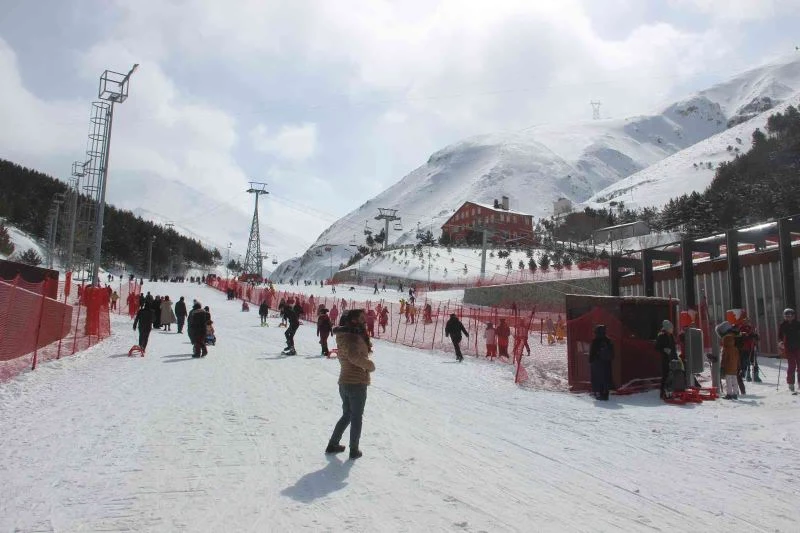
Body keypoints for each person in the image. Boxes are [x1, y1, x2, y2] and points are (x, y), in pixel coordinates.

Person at [325, 309, 376, 460]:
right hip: (356, 382)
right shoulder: (352, 337)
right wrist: (369, 365)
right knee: (356, 417)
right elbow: (354, 356)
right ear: (352, 320)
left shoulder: (344, 336)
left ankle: (333, 444)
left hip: (345, 381)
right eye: (361, 318)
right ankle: (354, 449)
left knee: (347, 414)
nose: (364, 321)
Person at [588, 324, 614, 401]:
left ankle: (599, 393)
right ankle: (606, 394)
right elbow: (612, 353)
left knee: (597, 378)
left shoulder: (595, 341)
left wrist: (590, 361)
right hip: (606, 363)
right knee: (606, 377)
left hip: (597, 363)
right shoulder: (608, 340)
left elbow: (592, 352)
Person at [778, 308, 800, 392]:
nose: (789, 317)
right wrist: (780, 342)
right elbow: (779, 336)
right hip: (788, 347)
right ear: (784, 316)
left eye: (791, 316)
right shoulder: (783, 325)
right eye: (787, 316)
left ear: (794, 316)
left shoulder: (798, 324)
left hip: (798, 347)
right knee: (792, 365)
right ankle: (791, 383)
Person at [655, 320, 677, 399]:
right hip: (665, 359)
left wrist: (676, 358)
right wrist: (664, 349)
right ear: (667, 328)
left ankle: (671, 391)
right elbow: (657, 347)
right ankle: (663, 392)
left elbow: (673, 348)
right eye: (671, 328)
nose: (672, 330)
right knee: (665, 375)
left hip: (672, 358)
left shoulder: (671, 336)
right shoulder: (661, 335)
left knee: (672, 375)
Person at [719, 321, 740, 399]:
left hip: (728, 367)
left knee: (728, 381)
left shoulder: (726, 349)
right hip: (734, 367)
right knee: (734, 380)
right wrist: (738, 365)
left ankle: (729, 394)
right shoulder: (735, 348)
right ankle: (735, 393)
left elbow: (724, 359)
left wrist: (722, 366)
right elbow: (738, 358)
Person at [738, 317, 760, 382]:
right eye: (746, 321)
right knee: (746, 362)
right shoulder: (741, 328)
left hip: (752, 347)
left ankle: (756, 376)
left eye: (748, 321)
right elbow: (742, 337)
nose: (747, 323)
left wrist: (756, 337)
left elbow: (757, 338)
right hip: (745, 348)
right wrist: (748, 336)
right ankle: (747, 375)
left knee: (754, 362)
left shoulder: (751, 328)